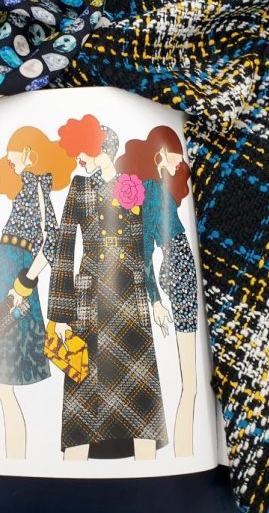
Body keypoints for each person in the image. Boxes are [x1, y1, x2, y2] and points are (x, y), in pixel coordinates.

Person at [48, 114, 168, 461]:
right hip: (89, 298)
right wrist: (59, 314)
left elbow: (143, 250)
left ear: (103, 149)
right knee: (83, 396)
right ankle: (72, 474)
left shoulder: (132, 186)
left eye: (84, 149)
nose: (79, 158)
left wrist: (155, 299)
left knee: (140, 399)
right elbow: (64, 247)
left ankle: (148, 472)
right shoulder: (79, 187)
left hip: (130, 295)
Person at [0, 126, 75, 458]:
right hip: (4, 277)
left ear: (29, 152)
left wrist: (24, 284)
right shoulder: (27, 187)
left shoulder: (37, 186)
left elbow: (51, 242)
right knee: (3, 390)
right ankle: (15, 459)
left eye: (13, 149)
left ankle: (17, 460)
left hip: (13, 282)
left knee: (5, 389)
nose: (8, 157)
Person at [116, 126, 199, 457]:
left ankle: (185, 453)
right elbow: (143, 250)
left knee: (191, 384)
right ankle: (185, 455)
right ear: (161, 153)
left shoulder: (161, 188)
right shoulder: (151, 190)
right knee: (190, 383)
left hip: (181, 272)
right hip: (178, 273)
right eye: (176, 154)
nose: (181, 161)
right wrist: (155, 300)